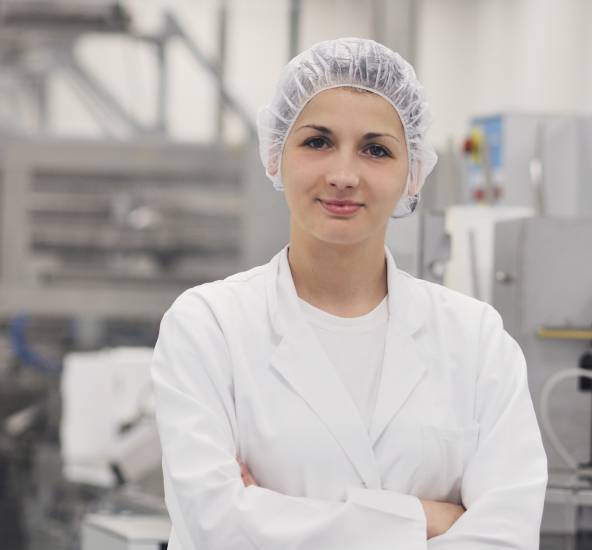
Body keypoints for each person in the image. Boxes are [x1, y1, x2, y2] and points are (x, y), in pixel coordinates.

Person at [150, 37, 547, 549]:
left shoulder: (475, 339)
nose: (342, 175)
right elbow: (217, 527)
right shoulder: (209, 326)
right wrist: (421, 519)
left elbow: (506, 537)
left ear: (412, 173)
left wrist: (274, 517)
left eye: (376, 149)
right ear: (276, 156)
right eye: (317, 142)